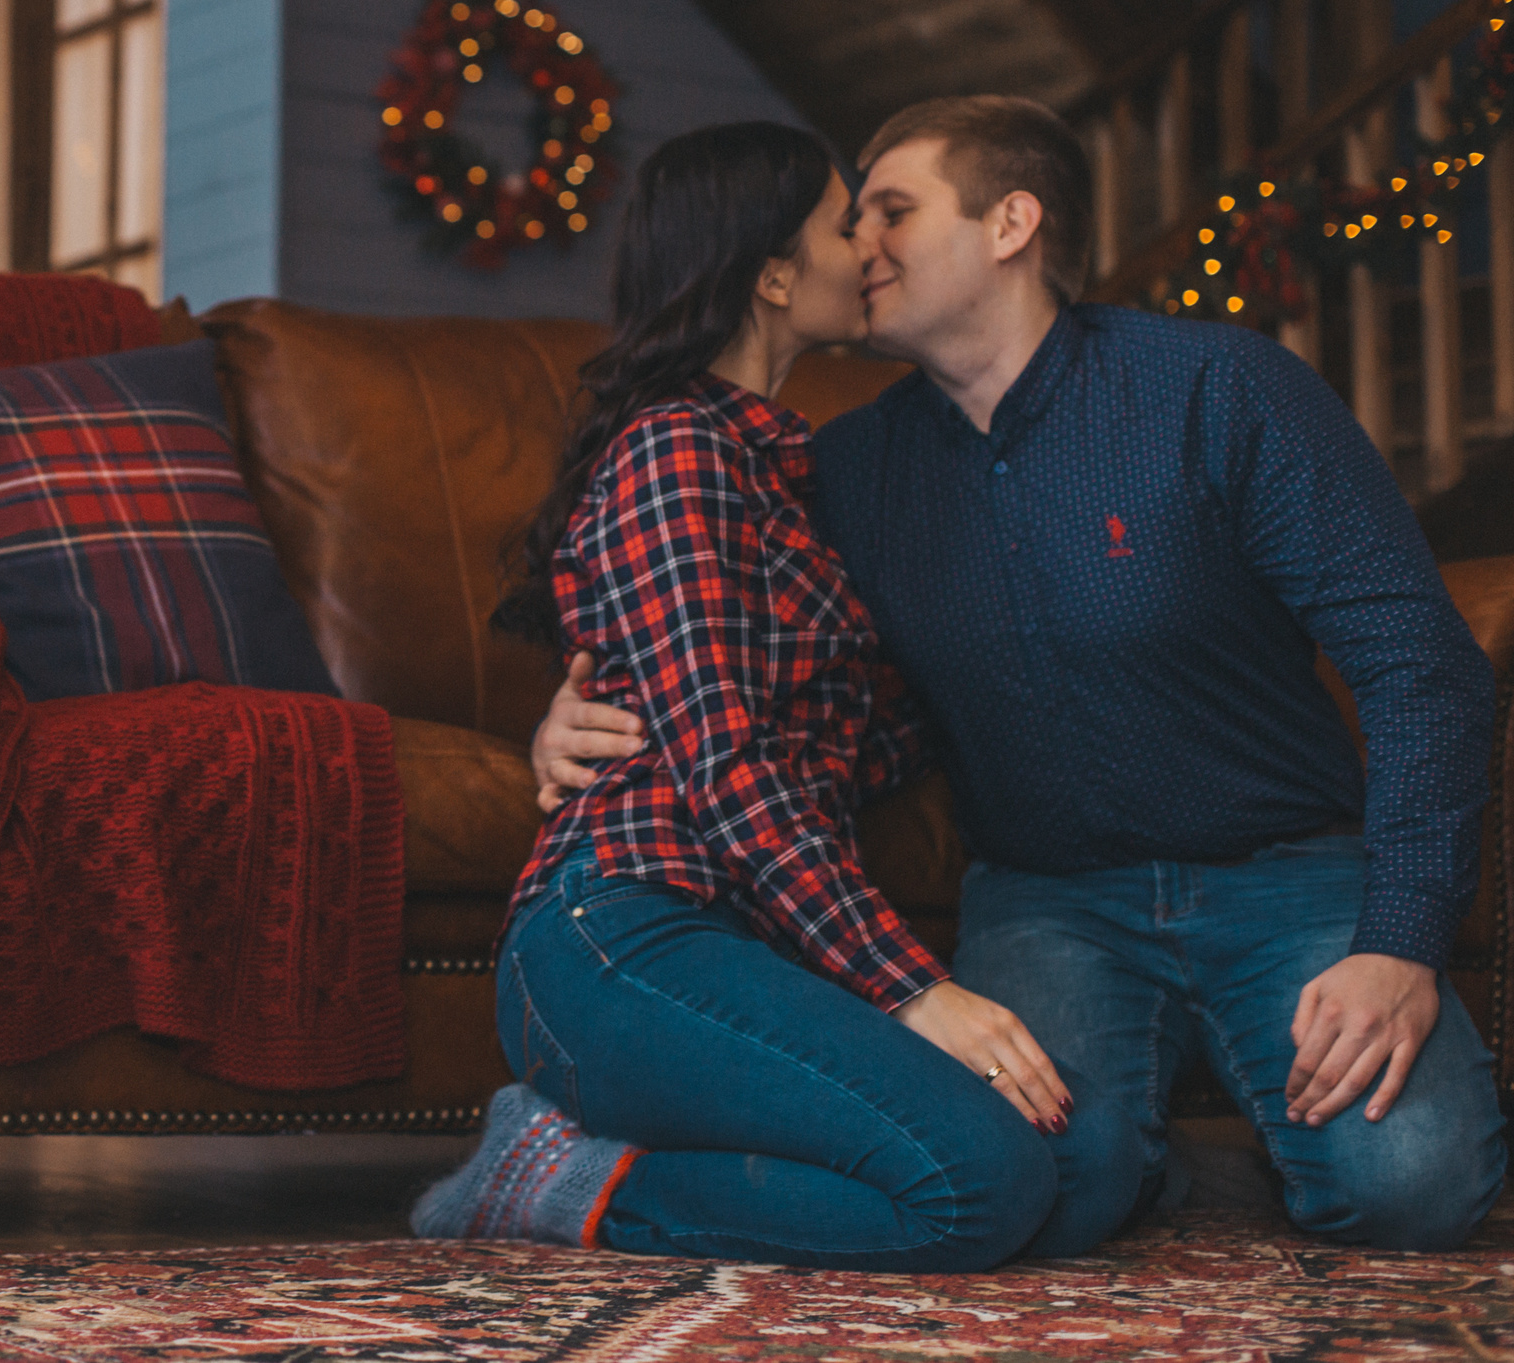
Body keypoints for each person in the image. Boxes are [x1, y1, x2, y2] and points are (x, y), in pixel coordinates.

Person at [532, 96, 1506, 1250]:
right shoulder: (839, 467)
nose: (867, 245)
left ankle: (1197, 1157)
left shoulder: (1218, 387)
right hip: (1050, 902)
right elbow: (724, 635)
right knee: (1034, 1191)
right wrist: (585, 704)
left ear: (1009, 224)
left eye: (891, 210)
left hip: (1286, 871)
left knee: (1415, 1185)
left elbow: (1419, 661)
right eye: (852, 221)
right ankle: (1154, 1165)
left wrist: (1398, 939)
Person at [411, 122, 1142, 1268]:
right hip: (623, 932)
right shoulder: (674, 453)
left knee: (1094, 1156)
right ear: (771, 270)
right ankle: (561, 1181)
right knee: (982, 1187)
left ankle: (756, 1162)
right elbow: (724, 765)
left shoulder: (796, 470)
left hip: (752, 947)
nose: (869, 245)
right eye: (846, 219)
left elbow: (862, 740)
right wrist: (914, 993)